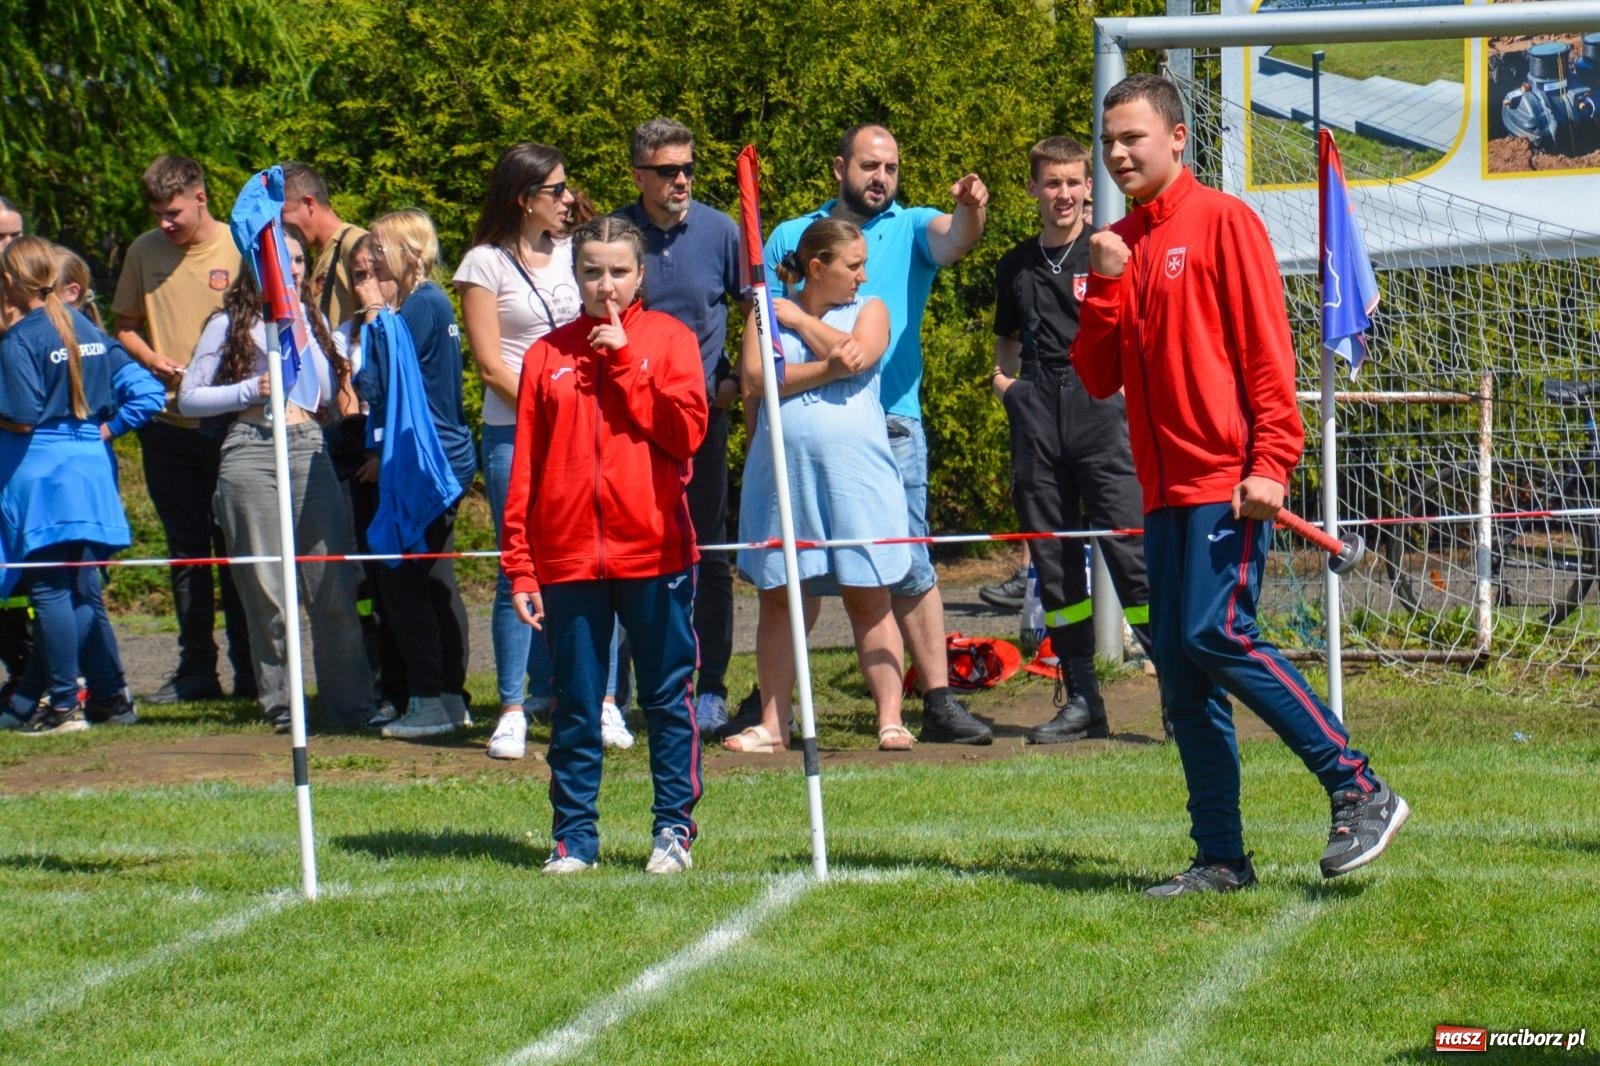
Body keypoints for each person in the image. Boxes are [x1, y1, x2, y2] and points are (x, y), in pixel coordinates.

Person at [1073, 74, 1409, 895]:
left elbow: (1267, 354)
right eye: (1109, 141)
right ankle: (1221, 858)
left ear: (1176, 137)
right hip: (1163, 494)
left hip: (1227, 483)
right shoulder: (1118, 244)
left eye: (1132, 138)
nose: (1118, 153)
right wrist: (1105, 283)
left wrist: (1272, 462)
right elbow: (1096, 377)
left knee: (1215, 633)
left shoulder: (1224, 221)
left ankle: (1358, 786)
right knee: (1184, 677)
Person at [763, 123, 993, 745]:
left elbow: (956, 239)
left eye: (890, 168)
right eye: (870, 166)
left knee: (907, 562)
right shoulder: (792, 234)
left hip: (891, 422)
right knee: (796, 570)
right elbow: (769, 335)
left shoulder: (912, 225)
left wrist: (971, 208)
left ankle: (937, 701)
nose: (881, 178)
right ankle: (772, 707)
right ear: (840, 168)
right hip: (805, 426)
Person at [501, 215, 707, 875]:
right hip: (568, 560)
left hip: (655, 552)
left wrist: (622, 362)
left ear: (640, 275)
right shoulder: (545, 355)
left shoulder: (670, 340)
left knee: (665, 698)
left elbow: (686, 435)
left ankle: (673, 830)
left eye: (618, 271)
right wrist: (520, 566)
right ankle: (573, 840)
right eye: (592, 271)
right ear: (576, 275)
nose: (606, 285)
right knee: (575, 706)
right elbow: (525, 468)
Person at [178, 224, 374, 733]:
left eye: (299, 260)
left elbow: (327, 393)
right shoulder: (227, 323)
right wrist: (251, 388)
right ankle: (285, 708)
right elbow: (188, 398)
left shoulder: (313, 319)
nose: (292, 269)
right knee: (267, 592)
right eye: (279, 259)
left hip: (309, 444)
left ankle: (350, 707)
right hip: (250, 450)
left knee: (332, 586)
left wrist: (313, 339)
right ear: (256, 266)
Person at [992, 135, 1154, 744]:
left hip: (1100, 407)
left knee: (1132, 553)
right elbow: (1006, 341)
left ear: (1090, 187)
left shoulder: (1109, 250)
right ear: (1033, 189)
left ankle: (1178, 696)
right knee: (1054, 561)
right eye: (1051, 183)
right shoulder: (1014, 264)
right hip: (1037, 408)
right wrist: (1008, 390)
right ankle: (1084, 699)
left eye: (1073, 182)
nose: (1063, 194)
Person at [732, 218, 913, 753]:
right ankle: (773, 723)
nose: (863, 275)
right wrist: (826, 367)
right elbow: (757, 378)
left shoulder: (870, 309)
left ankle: (891, 719)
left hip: (856, 480)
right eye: (853, 265)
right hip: (783, 479)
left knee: (869, 595)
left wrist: (797, 320)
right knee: (780, 599)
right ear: (817, 267)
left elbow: (859, 353)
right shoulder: (765, 312)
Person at [0, 236, 166, 733]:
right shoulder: (85, 328)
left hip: (44, 472)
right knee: (77, 587)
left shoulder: (20, 339)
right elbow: (141, 391)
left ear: (9, 281)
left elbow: (22, 415)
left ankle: (65, 703)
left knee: (50, 588)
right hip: (88, 464)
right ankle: (84, 697)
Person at [613, 117, 745, 736]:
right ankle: (621, 693)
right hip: (626, 421)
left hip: (699, 419)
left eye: (689, 168)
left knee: (708, 551)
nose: (682, 180)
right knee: (628, 554)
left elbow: (756, 308)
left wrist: (736, 380)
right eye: (668, 171)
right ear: (639, 175)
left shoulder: (721, 231)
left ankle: (710, 686)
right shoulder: (614, 235)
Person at [111, 155, 255, 704]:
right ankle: (197, 670)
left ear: (201, 197)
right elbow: (125, 326)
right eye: (157, 214)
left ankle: (253, 671)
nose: (165, 224)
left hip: (231, 424)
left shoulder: (240, 247)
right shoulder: (143, 251)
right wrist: (152, 360)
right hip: (168, 426)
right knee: (188, 552)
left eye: (173, 213)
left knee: (239, 551)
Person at [453, 142, 581, 761]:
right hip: (516, 431)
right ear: (525, 199)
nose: (568, 198)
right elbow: (489, 364)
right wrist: (549, 407)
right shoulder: (484, 263)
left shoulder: (577, 252)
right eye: (556, 190)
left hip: (580, 431)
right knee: (518, 567)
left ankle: (584, 698)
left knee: (582, 563)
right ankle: (510, 710)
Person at [356, 208, 476, 739]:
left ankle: (429, 699)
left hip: (427, 461)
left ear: (408, 251)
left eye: (380, 247)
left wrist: (373, 316)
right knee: (431, 578)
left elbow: (380, 382)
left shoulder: (421, 305)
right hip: (440, 454)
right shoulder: (430, 303)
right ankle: (447, 698)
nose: (373, 257)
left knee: (404, 579)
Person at [327, 234, 409, 723]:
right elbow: (348, 402)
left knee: (414, 581)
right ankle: (386, 685)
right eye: (359, 275)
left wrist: (384, 455)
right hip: (361, 464)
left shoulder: (408, 321)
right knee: (372, 583)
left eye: (377, 272)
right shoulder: (346, 335)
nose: (368, 283)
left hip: (398, 463)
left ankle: (431, 688)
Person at [281, 162, 368, 332]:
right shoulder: (323, 253)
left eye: (282, 213)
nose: (280, 224)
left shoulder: (356, 244)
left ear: (309, 204)